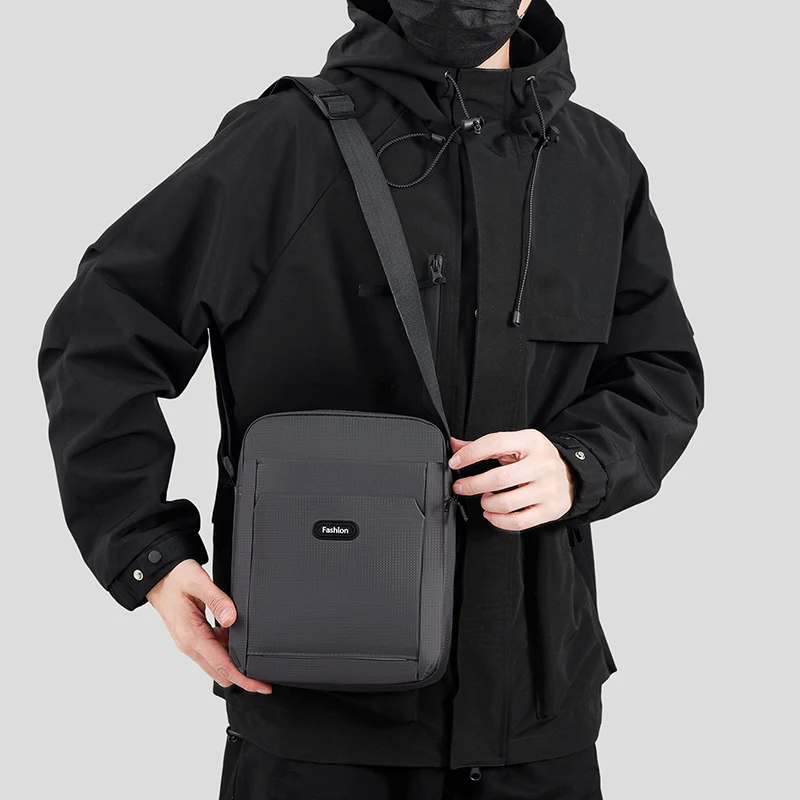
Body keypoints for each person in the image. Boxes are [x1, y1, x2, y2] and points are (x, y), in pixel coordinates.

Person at [38, 1, 704, 797]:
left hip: (537, 718)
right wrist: (149, 554)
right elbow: (102, 333)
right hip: (320, 720)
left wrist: (578, 463)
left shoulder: (598, 162)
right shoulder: (287, 142)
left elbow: (659, 370)